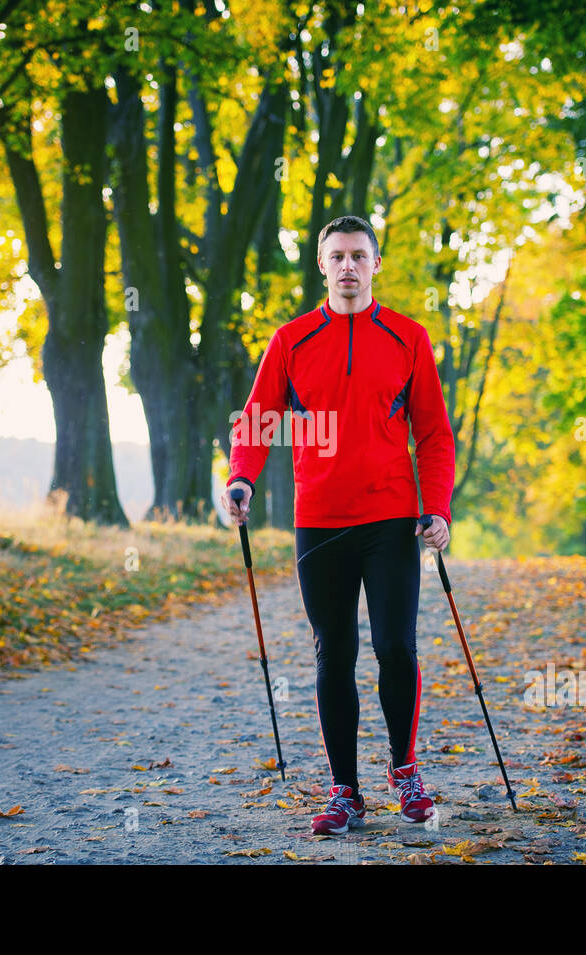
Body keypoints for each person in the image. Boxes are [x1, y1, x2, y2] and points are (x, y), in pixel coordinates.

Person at [219, 214, 456, 835]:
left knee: (396, 648)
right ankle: (344, 791)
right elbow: (257, 419)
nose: (348, 265)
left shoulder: (408, 337)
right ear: (322, 266)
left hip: (392, 520)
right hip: (319, 521)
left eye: (358, 255)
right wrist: (240, 478)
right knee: (335, 654)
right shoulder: (291, 340)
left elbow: (433, 433)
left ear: (376, 264)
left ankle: (404, 770)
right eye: (337, 257)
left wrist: (437, 506)